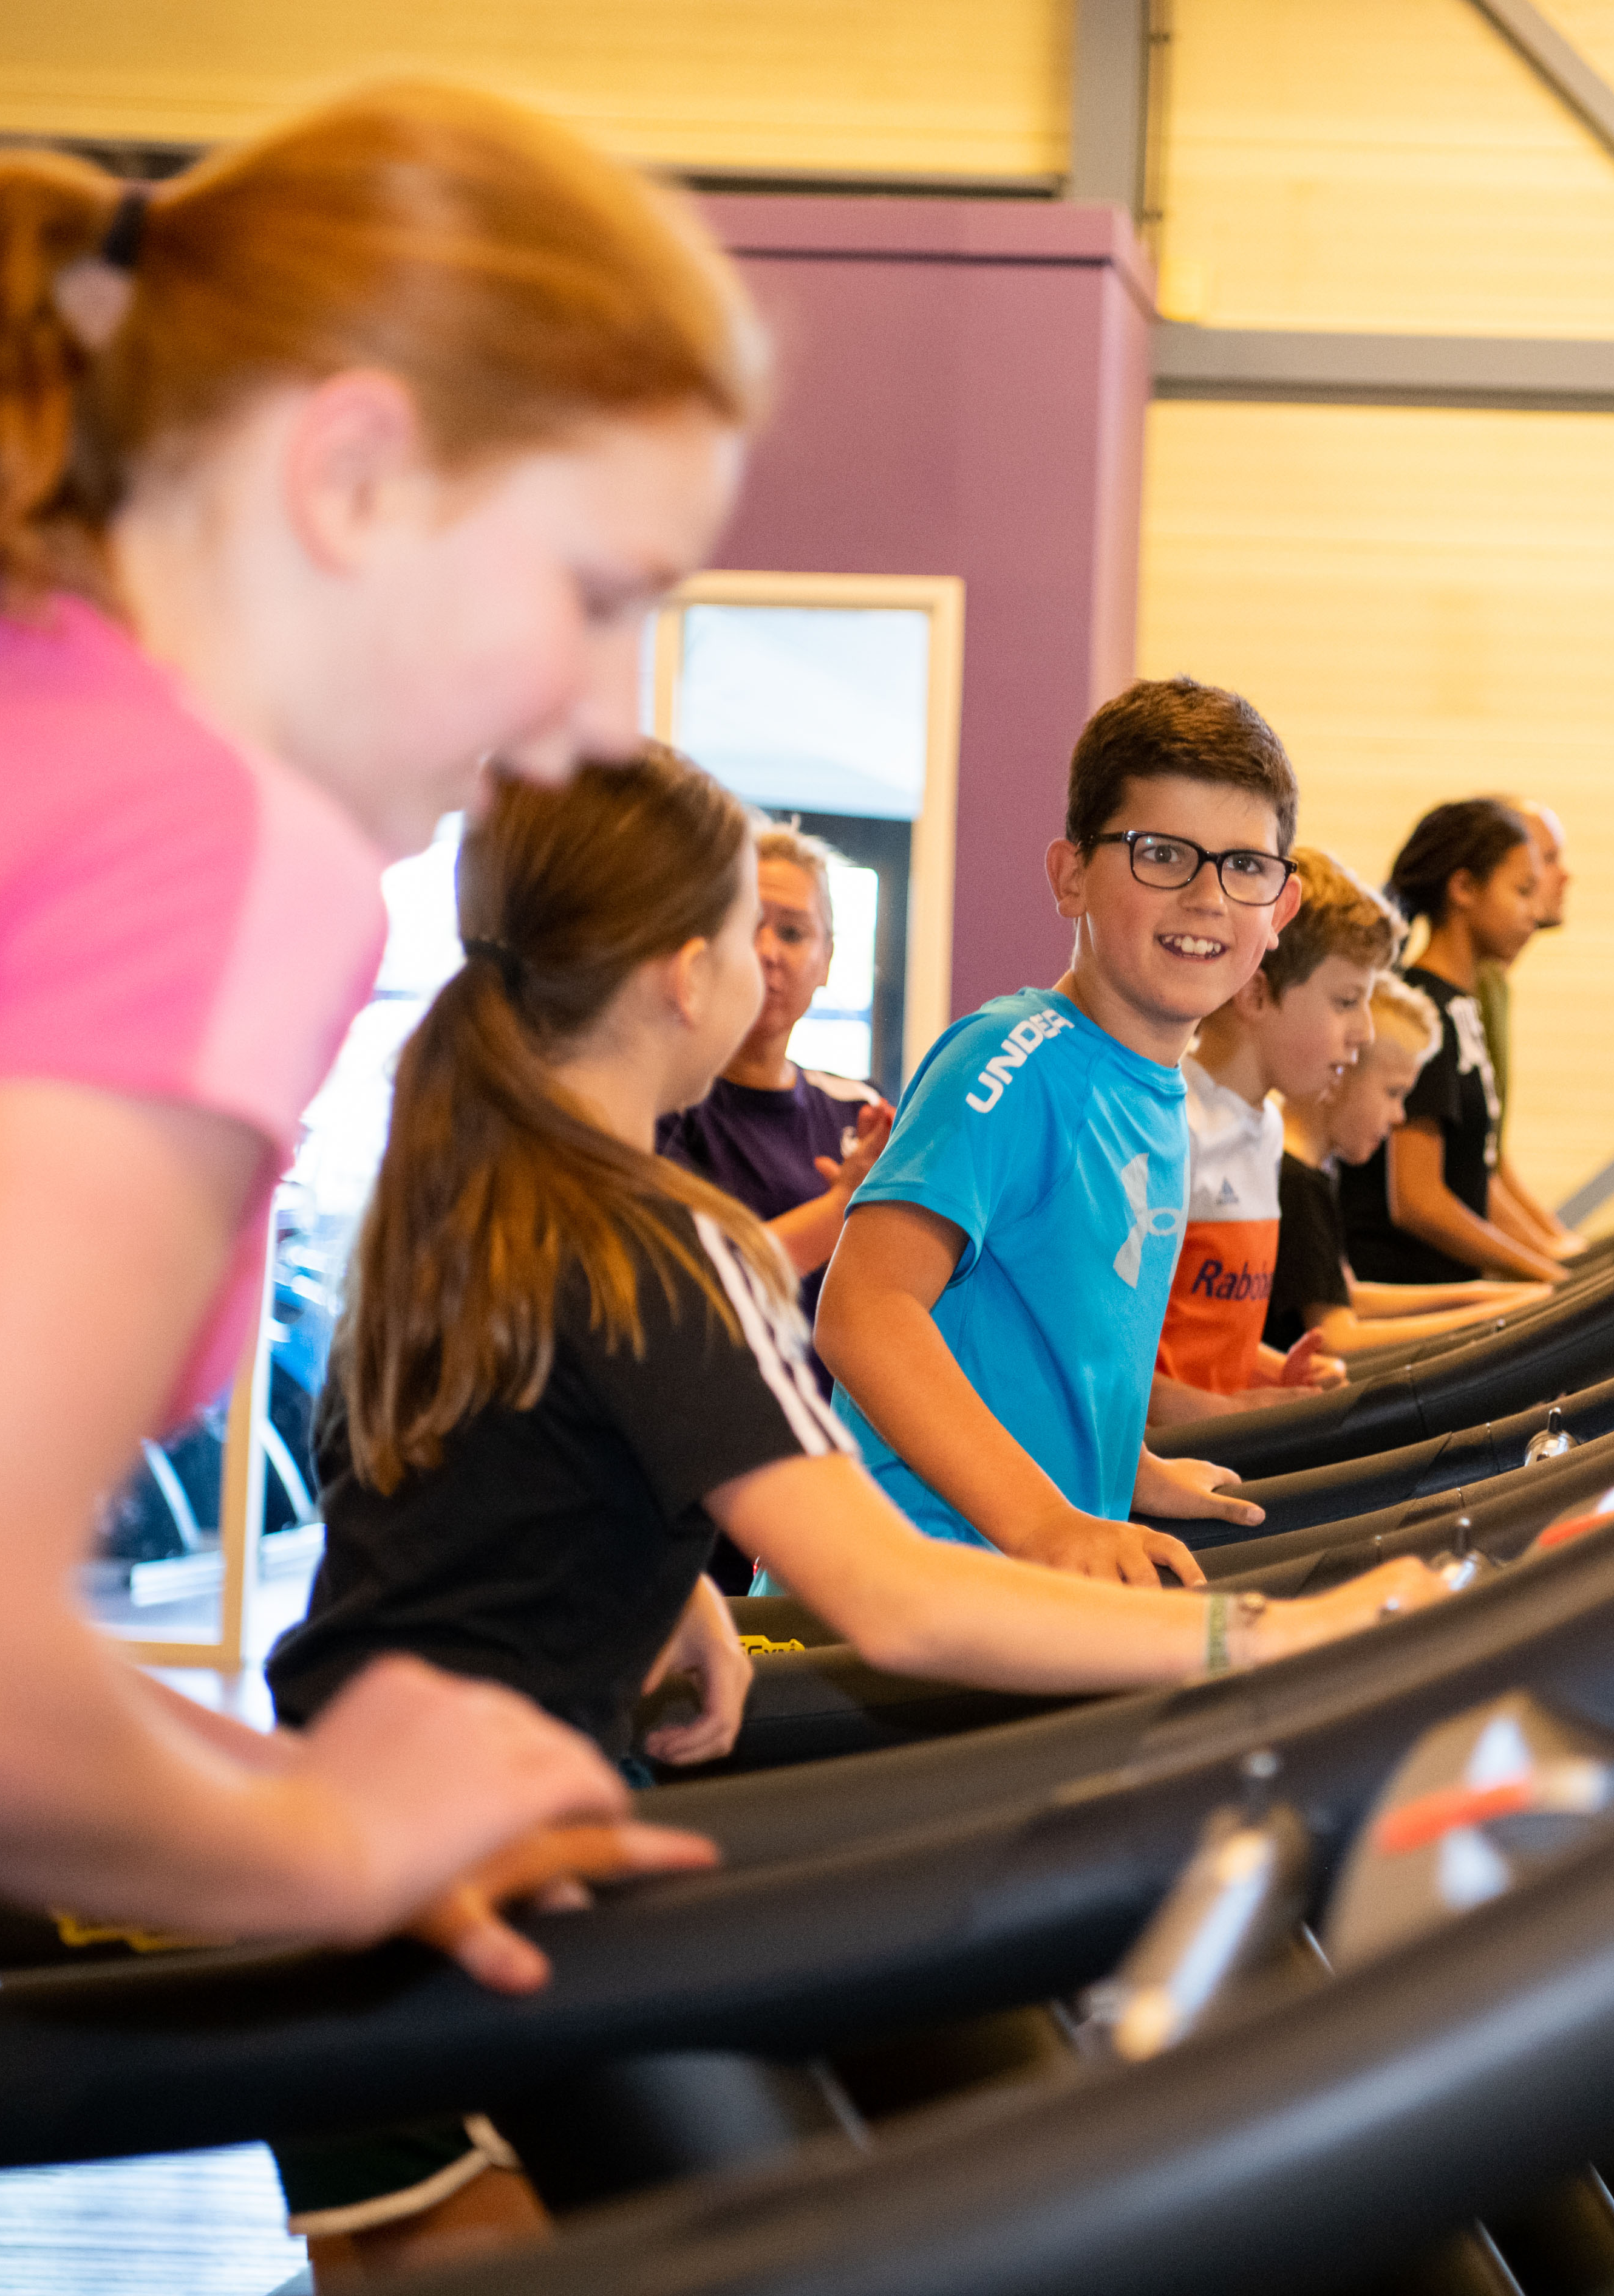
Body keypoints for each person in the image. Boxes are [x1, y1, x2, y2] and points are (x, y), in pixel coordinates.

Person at [0, 86, 764, 2296]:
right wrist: (325, 1824)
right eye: (587, 594)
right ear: (354, 473)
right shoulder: (215, 838)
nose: (583, 718)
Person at [260, 750, 1447, 2274]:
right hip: (496, 1885)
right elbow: (897, 1598)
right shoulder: (673, 1248)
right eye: (752, 939)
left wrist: (667, 1574)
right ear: (688, 977)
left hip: (357, 1833)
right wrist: (1267, 1638)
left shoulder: (463, 1207)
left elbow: (480, 1490)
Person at [819, 677, 1302, 1586]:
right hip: (899, 1597)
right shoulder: (1014, 1058)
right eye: (1161, 853)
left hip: (1020, 1589)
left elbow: (1050, 1346)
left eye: (1244, 866)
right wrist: (1044, 1520)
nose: (1207, 897)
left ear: (1280, 909)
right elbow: (863, 1312)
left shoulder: (1156, 1091)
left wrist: (1123, 1468)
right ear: (1070, 876)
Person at [656, 820, 890, 1590]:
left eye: (794, 932)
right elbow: (699, 1282)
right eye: (751, 925)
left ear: (826, 962)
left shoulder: (860, 1114)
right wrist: (842, 1205)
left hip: (829, 1482)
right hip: (694, 1499)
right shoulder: (665, 1108)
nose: (770, 952)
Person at [1145, 848, 1395, 1424]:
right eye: (1346, 1002)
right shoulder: (1170, 1130)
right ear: (1256, 995)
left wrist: (1274, 1376)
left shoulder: (1268, 1129)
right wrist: (1238, 1413)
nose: (1364, 1033)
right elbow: (1106, 1373)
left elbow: (1196, 1341)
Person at [1344, 799, 1568, 1286]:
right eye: (1522, 891)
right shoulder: (1422, 1011)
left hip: (1451, 1287)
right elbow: (1418, 1202)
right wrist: (1546, 1276)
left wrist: (1553, 1259)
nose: (1535, 911)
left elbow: (1475, 1177)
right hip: (1402, 1291)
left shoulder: (1464, 1008)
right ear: (1464, 888)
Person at [1274, 977, 1549, 1357]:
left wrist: (1480, 1296)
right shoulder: (1295, 1181)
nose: (1399, 1116)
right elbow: (1336, 1338)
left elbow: (1346, 1295)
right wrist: (1498, 1316)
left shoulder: (1317, 1171)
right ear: (1342, 1071)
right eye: (1393, 1093)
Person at [1475, 796, 1586, 1264]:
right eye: (1549, 859)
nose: (1562, 876)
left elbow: (1492, 1155)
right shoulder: (1472, 989)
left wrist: (1560, 1243)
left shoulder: (1494, 985)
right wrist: (1549, 1261)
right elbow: (1471, 1177)